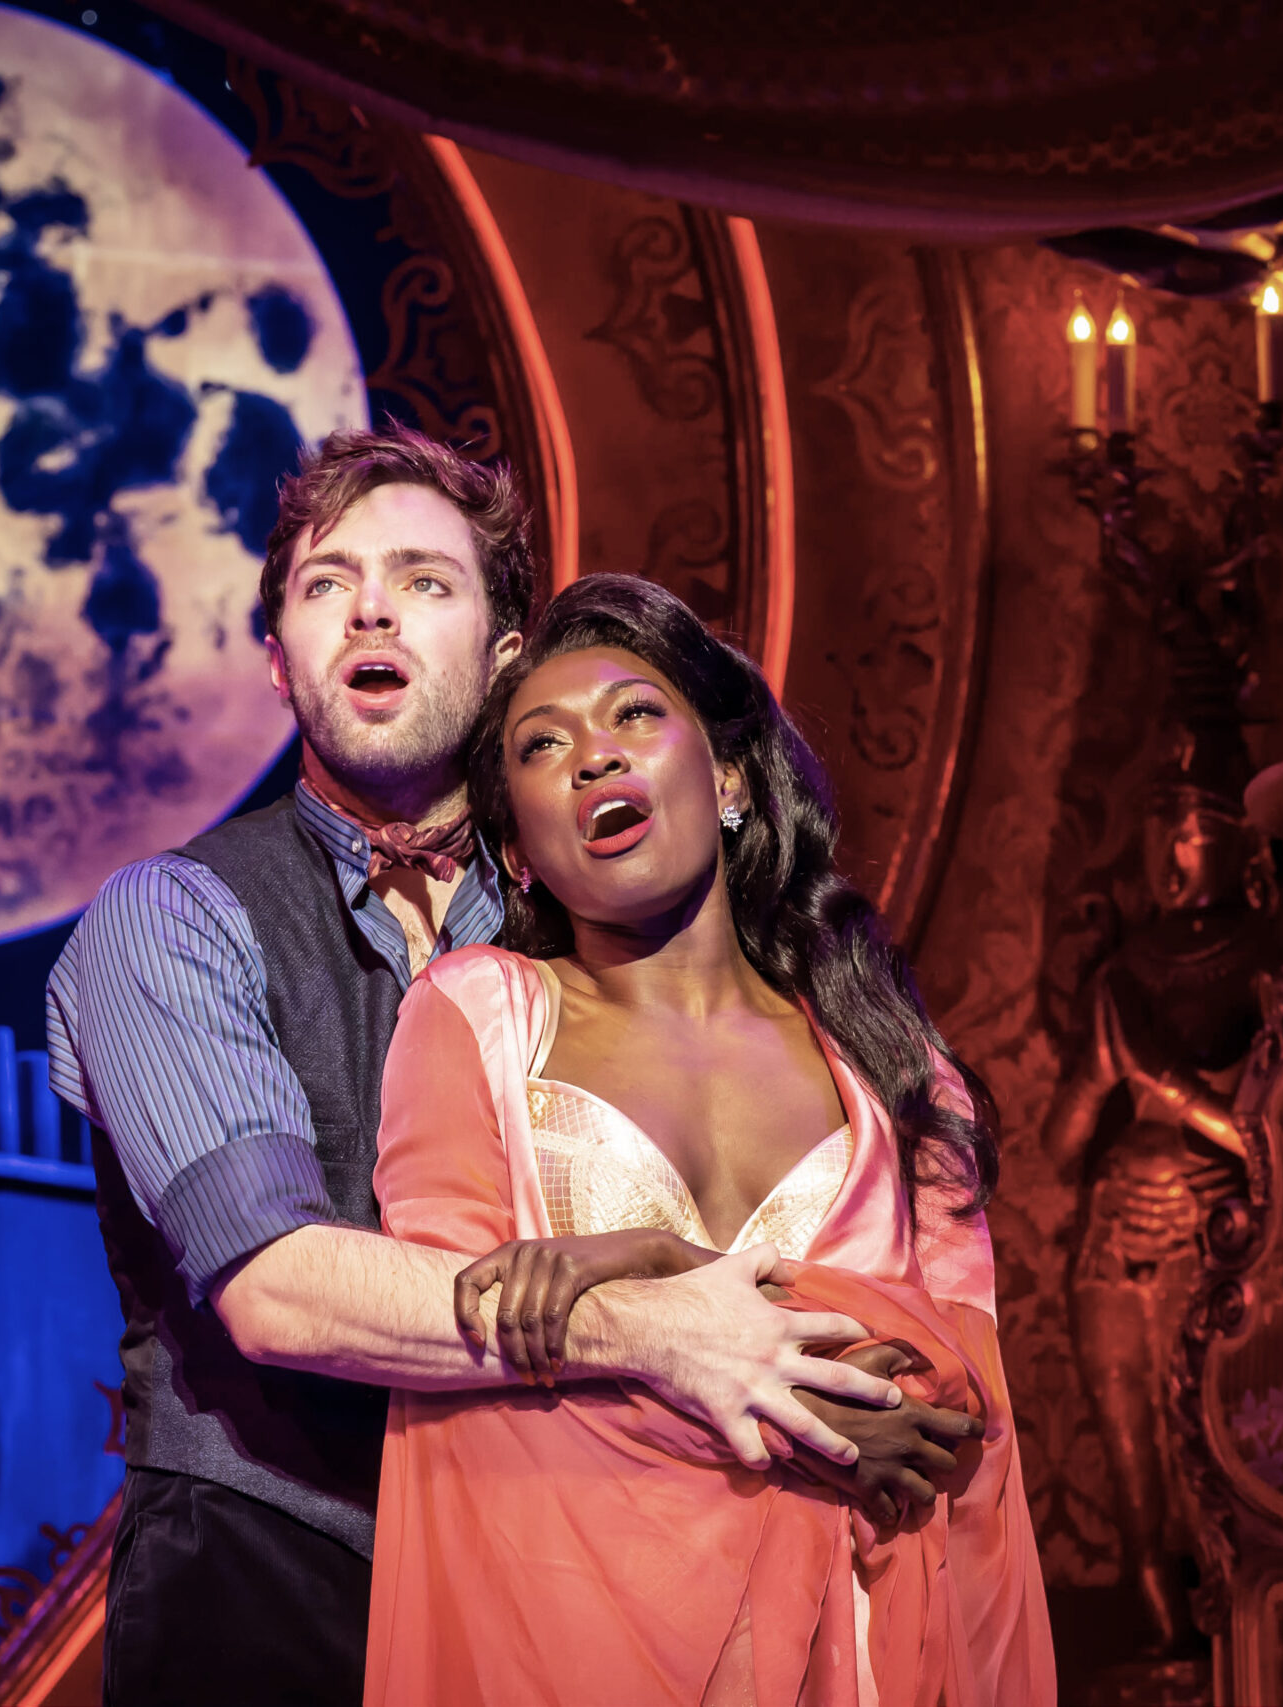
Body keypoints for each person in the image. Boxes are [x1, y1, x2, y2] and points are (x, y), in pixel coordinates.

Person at [47, 431, 912, 1707]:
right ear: (279, 661)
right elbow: (277, 1288)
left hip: (561, 1591)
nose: (372, 608)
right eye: (328, 584)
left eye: (422, 579)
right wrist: (659, 1330)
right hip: (272, 1580)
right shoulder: (172, 918)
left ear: (507, 657)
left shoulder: (596, 919)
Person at [365, 574, 1056, 1706]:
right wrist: (802, 1405)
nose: (594, 755)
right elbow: (459, 1343)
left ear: (728, 777)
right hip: (576, 1646)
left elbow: (960, 1389)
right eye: (543, 745)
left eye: (634, 713)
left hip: (863, 1656)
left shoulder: (887, 1060)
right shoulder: (474, 1019)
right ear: (519, 849)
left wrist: (654, 1263)